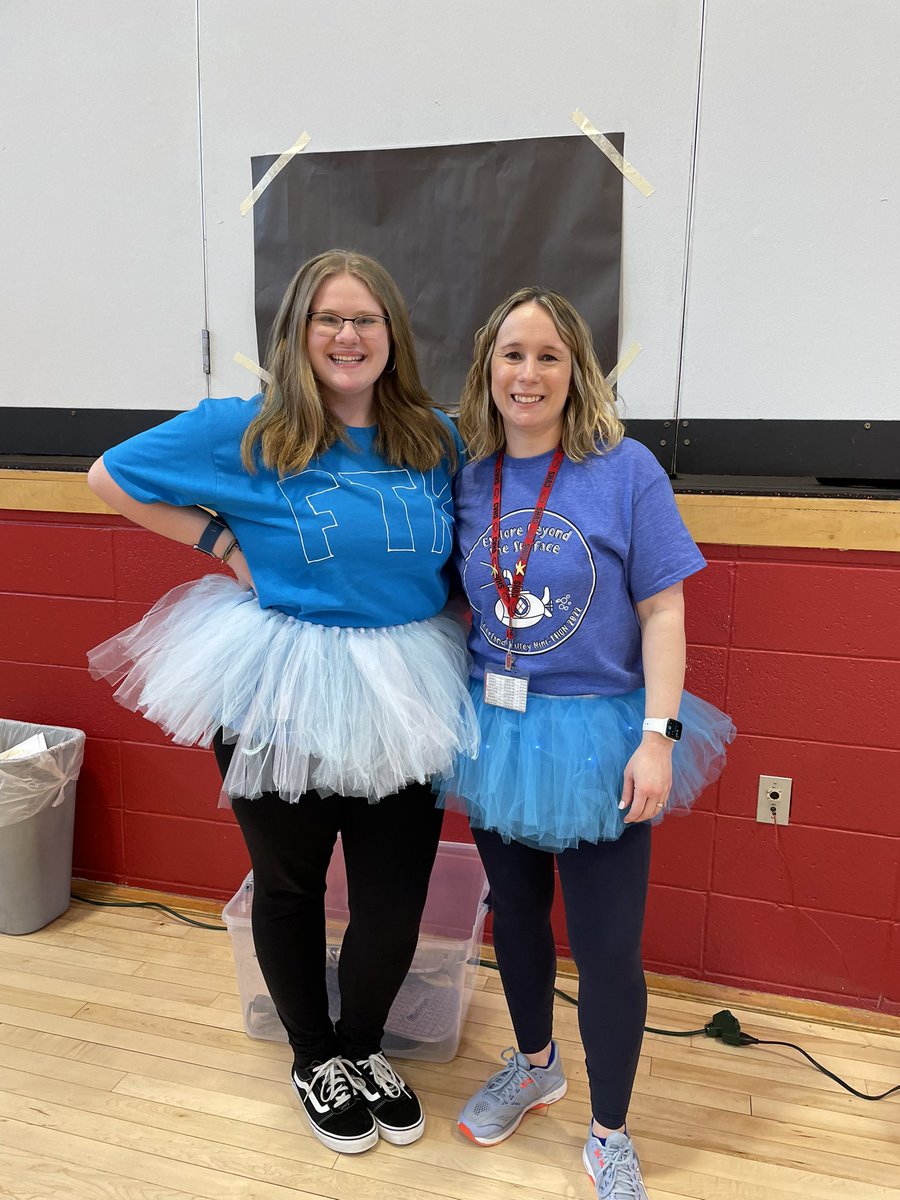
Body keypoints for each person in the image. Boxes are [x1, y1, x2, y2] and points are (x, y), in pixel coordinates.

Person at [87, 249, 478, 1156]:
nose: (348, 336)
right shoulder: (248, 428)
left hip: (407, 681)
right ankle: (314, 1057)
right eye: (327, 319)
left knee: (393, 895)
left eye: (366, 319)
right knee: (293, 884)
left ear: (393, 336)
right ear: (297, 334)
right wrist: (219, 540)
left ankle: (364, 1046)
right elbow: (109, 476)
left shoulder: (435, 435)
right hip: (280, 682)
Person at [436, 287, 735, 1200]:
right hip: (497, 729)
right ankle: (534, 1065)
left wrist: (658, 735)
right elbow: (457, 600)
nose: (528, 374)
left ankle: (608, 1131)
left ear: (578, 372)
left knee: (608, 948)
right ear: (487, 368)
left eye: (549, 356)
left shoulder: (625, 468)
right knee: (515, 920)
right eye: (512, 354)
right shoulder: (468, 471)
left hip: (605, 735)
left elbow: (665, 607)